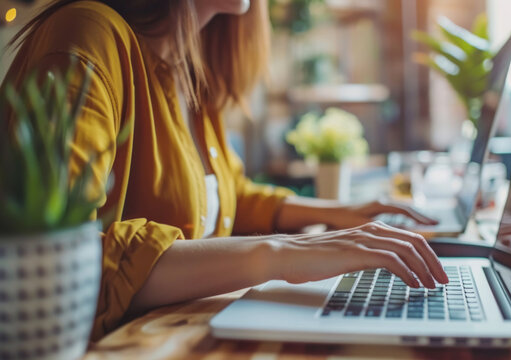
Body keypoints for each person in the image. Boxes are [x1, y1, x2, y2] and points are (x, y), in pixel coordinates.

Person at [4, 0, 448, 339]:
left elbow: (229, 193)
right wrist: (279, 254)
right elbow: (56, 259)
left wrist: (344, 214)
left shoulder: (188, 72)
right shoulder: (88, 33)